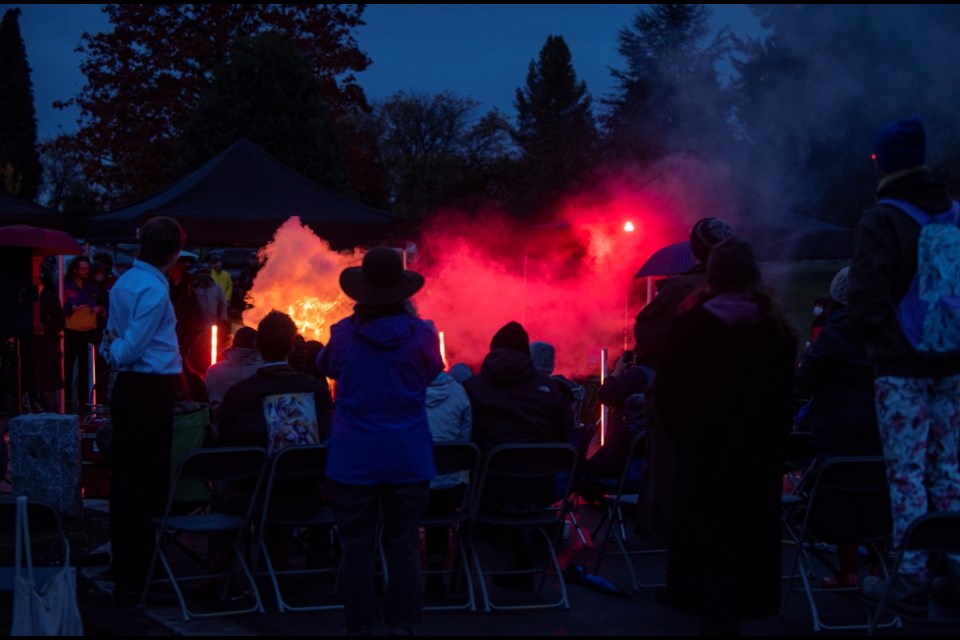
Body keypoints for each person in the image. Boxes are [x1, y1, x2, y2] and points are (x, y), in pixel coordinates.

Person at [655, 236, 798, 635]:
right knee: (744, 549)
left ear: (712, 276)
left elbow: (668, 394)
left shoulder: (691, 327)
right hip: (757, 460)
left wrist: (686, 435)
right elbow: (786, 397)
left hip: (703, 457)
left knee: (707, 551)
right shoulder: (777, 329)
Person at [848, 116, 960, 615]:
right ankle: (953, 569)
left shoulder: (881, 219)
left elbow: (866, 298)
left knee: (907, 472)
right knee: (950, 467)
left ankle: (910, 576)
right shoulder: (954, 215)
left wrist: (881, 346)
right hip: (953, 364)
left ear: (881, 162)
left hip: (901, 369)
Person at [314, 246, 444, 636]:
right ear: (401, 293)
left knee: (357, 546)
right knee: (403, 544)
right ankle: (402, 623)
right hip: (407, 455)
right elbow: (433, 372)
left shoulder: (343, 336)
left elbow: (325, 366)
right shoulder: (422, 335)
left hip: (354, 458)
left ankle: (362, 626)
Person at [99, 216, 186, 605]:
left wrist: (110, 350)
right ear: (172, 252)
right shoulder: (153, 289)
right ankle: (139, 574)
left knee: (127, 481)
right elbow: (129, 347)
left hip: (134, 389)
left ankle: (129, 565)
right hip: (149, 388)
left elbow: (112, 337)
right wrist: (115, 354)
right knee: (146, 483)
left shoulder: (124, 283)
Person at [632, 216, 733, 540]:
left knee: (676, 481)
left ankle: (681, 566)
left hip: (684, 399)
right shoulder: (754, 291)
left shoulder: (681, 289)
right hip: (736, 401)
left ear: (696, 249)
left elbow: (649, 337)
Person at [214, 310, 334, 566]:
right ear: (292, 345)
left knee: (223, 489)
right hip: (306, 497)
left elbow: (225, 449)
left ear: (257, 345)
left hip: (253, 497)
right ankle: (317, 556)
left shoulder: (241, 393)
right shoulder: (316, 391)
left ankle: (220, 569)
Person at [462, 321, 575, 589]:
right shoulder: (550, 389)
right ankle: (521, 554)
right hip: (541, 490)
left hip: (489, 490)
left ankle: (461, 571)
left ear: (492, 351)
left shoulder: (472, 387)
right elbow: (564, 433)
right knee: (519, 475)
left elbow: (463, 435)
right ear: (526, 353)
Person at [795, 266, 884, 588]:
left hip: (839, 426)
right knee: (878, 492)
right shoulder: (890, 327)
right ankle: (878, 572)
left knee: (843, 496)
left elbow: (806, 380)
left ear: (836, 296)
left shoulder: (836, 332)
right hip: (884, 422)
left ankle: (848, 571)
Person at [423, 366, 472, 596]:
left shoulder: (399, 391)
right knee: (441, 488)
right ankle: (436, 562)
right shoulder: (459, 392)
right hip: (447, 493)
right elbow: (465, 442)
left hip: (407, 489)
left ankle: (385, 567)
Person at [62, 255, 107, 412]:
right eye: (83, 268)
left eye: (88, 268)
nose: (87, 271)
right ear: (75, 270)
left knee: (86, 369)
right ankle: (67, 401)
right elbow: (59, 308)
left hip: (89, 333)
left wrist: (99, 309)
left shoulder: (92, 287)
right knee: (67, 368)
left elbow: (103, 308)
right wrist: (70, 310)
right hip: (71, 332)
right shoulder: (66, 286)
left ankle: (84, 402)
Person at [203, 326, 264, 428]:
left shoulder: (213, 370)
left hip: (220, 430)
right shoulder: (263, 370)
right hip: (254, 432)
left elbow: (207, 401)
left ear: (233, 344)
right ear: (257, 345)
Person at [26, 260, 65, 412]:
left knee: (47, 390)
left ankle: (52, 418)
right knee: (30, 388)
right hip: (28, 348)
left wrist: (44, 327)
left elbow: (59, 322)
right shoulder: (25, 297)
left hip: (46, 348)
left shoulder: (50, 298)